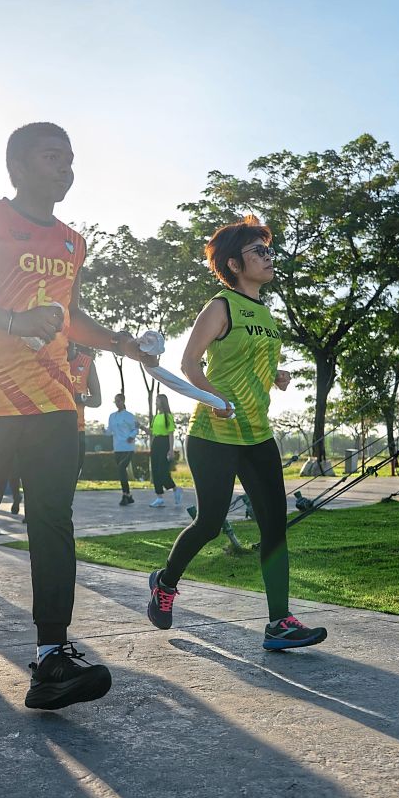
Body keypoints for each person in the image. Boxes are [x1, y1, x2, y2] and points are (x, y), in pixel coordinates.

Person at [0, 121, 157, 710]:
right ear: (17, 167)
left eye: (70, 159)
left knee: (53, 517)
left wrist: (119, 342)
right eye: (52, 158)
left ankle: (51, 657)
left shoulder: (74, 241)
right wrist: (11, 322)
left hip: (52, 398)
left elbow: (68, 316)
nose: (65, 169)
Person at [145, 217, 326, 651]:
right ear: (233, 263)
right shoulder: (221, 305)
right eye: (257, 252)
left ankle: (279, 623)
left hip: (258, 434)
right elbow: (191, 364)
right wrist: (215, 400)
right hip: (213, 434)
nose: (268, 257)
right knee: (209, 523)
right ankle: (165, 583)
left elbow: (248, 364)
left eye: (268, 250)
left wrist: (276, 375)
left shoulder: (265, 313)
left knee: (274, 527)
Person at [68, 342, 101, 479]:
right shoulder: (51, 360)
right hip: (52, 429)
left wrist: (80, 398)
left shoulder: (87, 363)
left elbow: (97, 400)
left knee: (72, 478)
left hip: (77, 430)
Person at [149, 393, 181, 507]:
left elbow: (171, 434)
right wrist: (141, 427)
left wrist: (171, 450)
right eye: (155, 401)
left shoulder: (168, 416)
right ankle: (159, 497)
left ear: (163, 402)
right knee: (155, 471)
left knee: (162, 472)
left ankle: (175, 489)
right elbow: (152, 432)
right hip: (155, 443)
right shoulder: (156, 416)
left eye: (157, 401)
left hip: (164, 443)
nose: (156, 403)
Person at [107, 394, 138, 505]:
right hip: (117, 447)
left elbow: (135, 429)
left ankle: (125, 494)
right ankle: (128, 495)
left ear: (123, 401)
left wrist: (132, 436)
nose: (117, 403)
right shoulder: (112, 416)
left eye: (119, 401)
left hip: (128, 447)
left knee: (121, 468)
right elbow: (109, 430)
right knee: (121, 472)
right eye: (115, 401)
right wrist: (103, 431)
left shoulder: (129, 416)